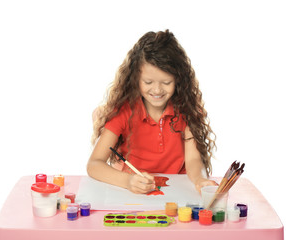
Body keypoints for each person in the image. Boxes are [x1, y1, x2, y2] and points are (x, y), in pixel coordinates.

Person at [87, 29, 217, 194]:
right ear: (135, 79)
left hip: (177, 193)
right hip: (134, 195)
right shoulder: (123, 112)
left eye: (166, 82)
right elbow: (94, 164)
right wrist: (128, 181)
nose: (157, 90)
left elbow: (193, 160)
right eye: (148, 82)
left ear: (178, 79)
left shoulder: (187, 110)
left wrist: (200, 180)